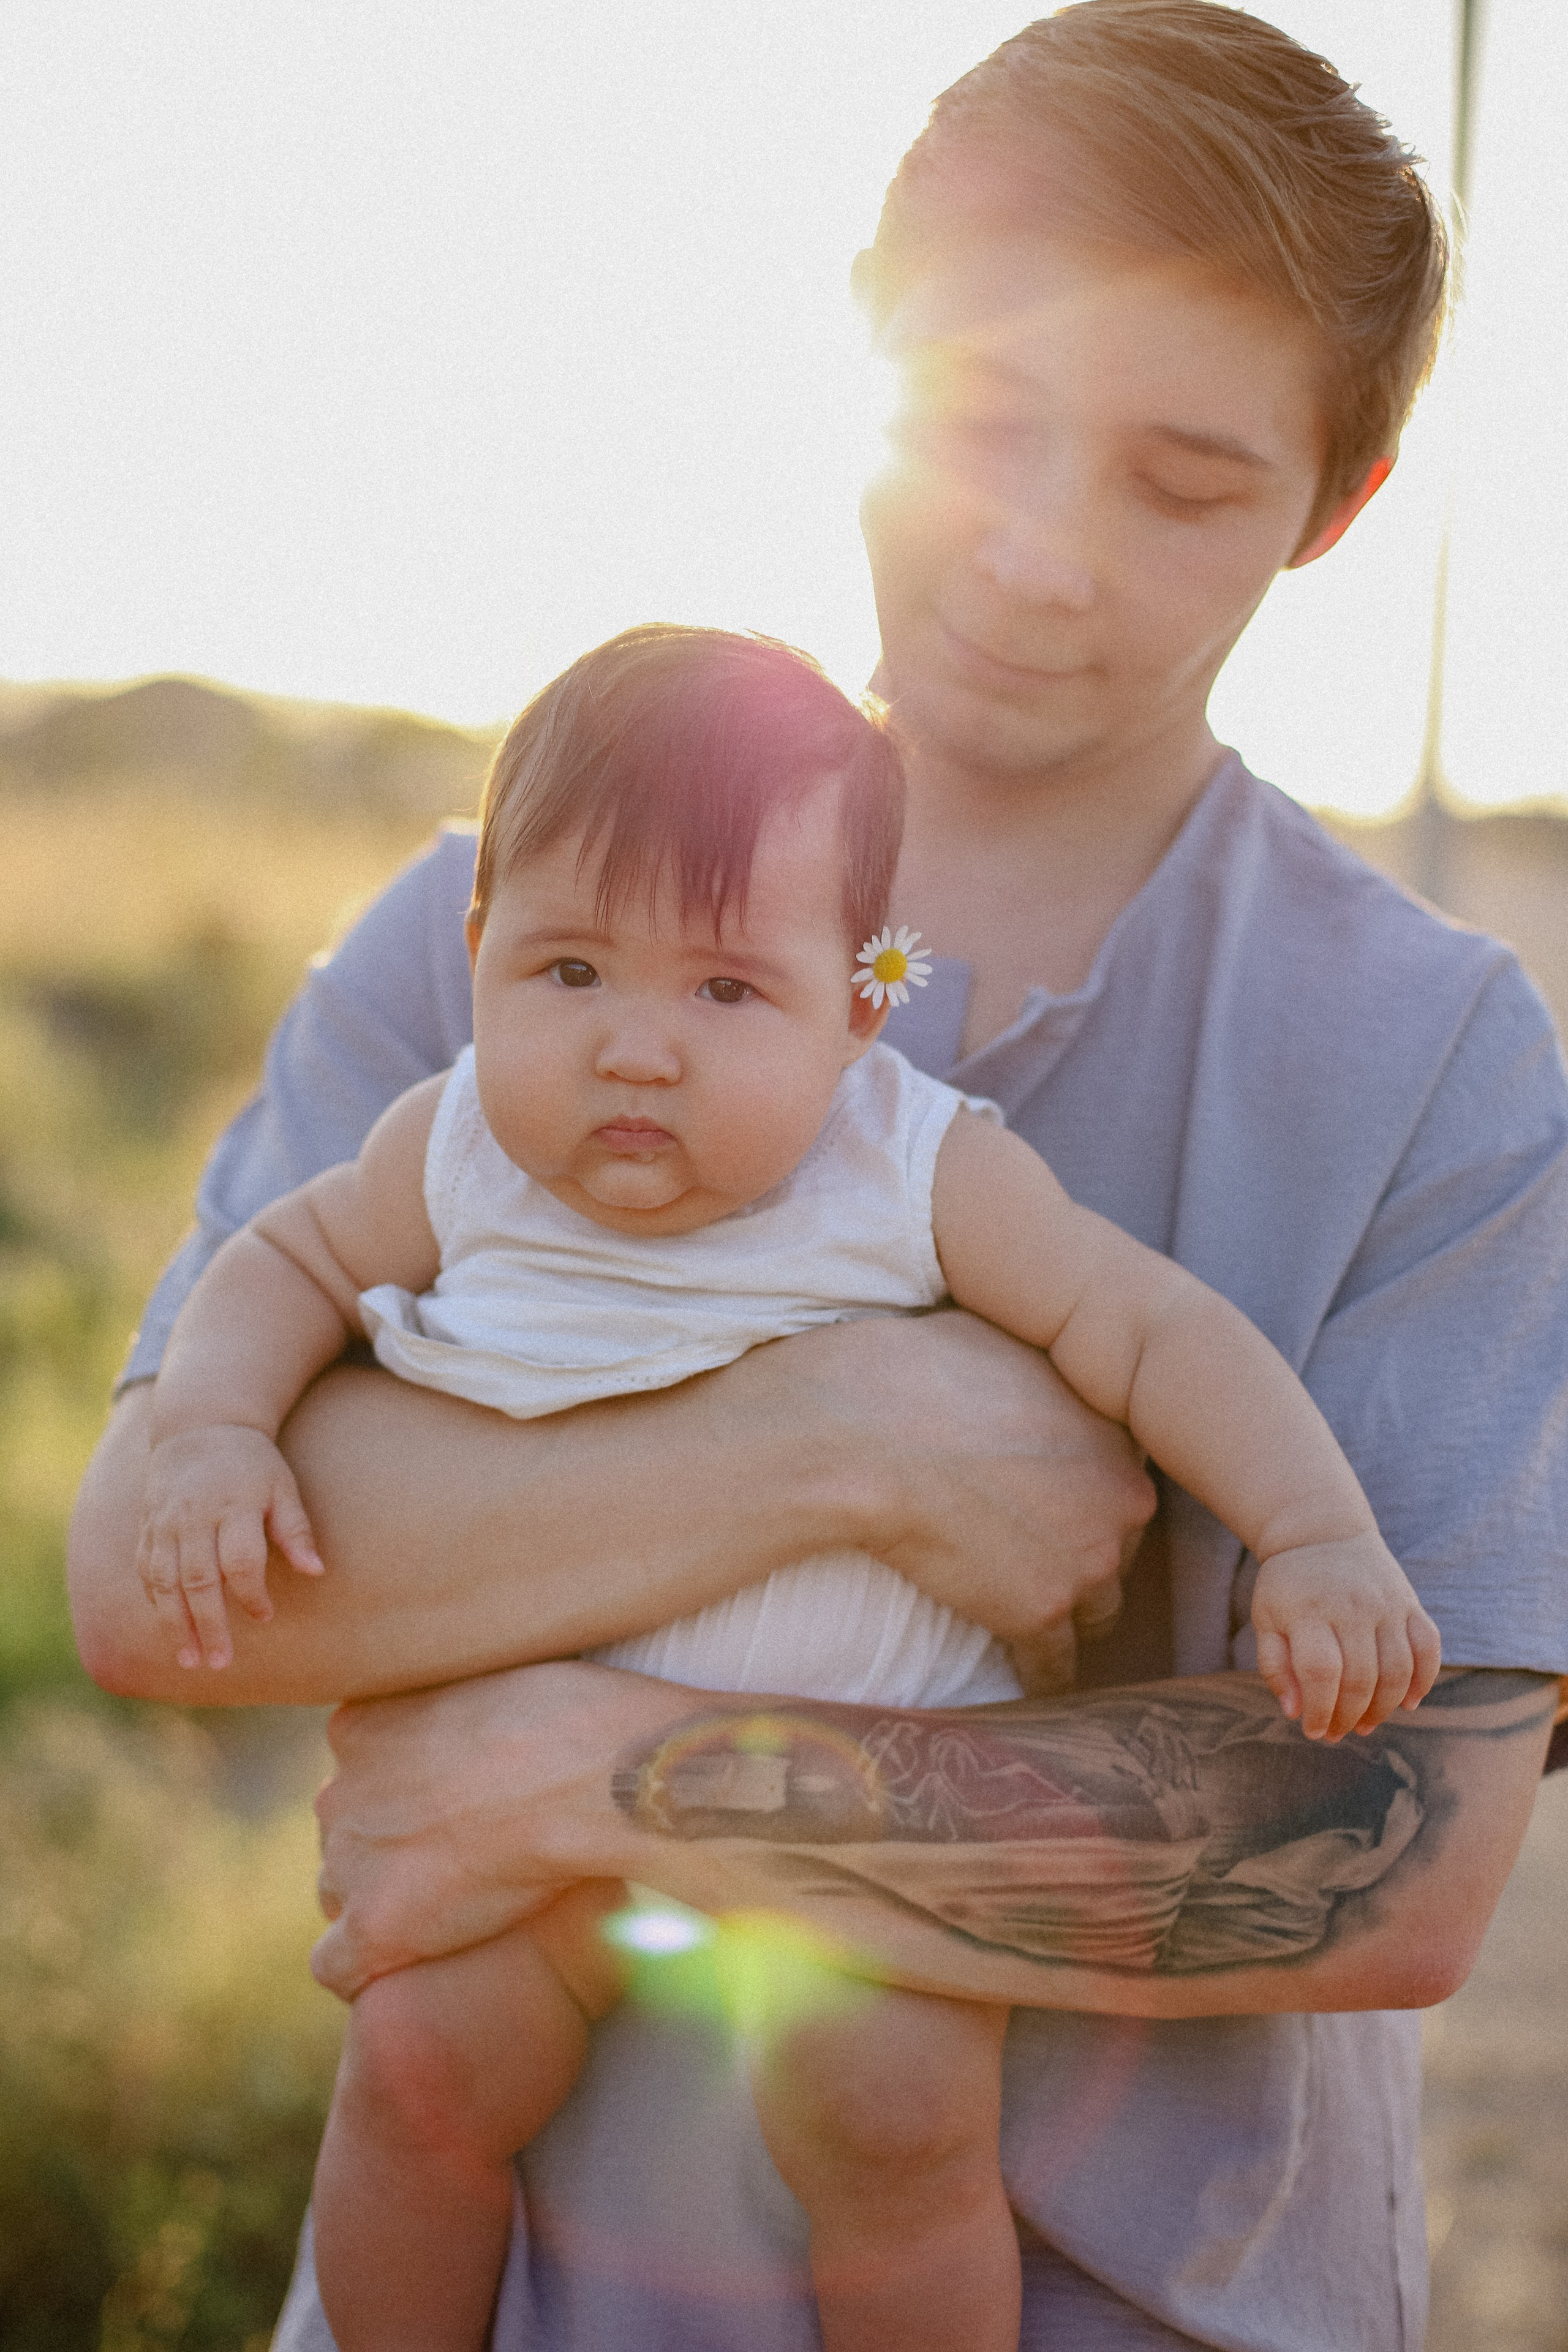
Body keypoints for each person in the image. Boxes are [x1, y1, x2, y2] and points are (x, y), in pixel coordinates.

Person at [67, 6, 1568, 2348]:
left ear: (1339, 505)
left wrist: (609, 1772)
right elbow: (160, 1586)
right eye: (980, 419)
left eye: (1184, 484)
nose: (1042, 560)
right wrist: (851, 1442)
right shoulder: (495, 944)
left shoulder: (1435, 1058)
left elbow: (1381, 1859)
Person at [134, 624, 1439, 2352]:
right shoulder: (449, 1149)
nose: (635, 1048)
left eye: (728, 989)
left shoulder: (912, 1164)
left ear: (860, 1004)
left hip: (853, 1824)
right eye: (569, 970)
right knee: (418, 2069)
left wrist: (1315, 1531)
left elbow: (1149, 1329)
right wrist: (213, 1430)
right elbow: (282, 1262)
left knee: (895, 2121)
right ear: (478, 954)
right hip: (526, 1838)